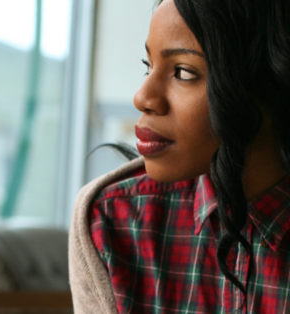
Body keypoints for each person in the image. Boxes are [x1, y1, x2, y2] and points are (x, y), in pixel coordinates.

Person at [68, 0, 290, 313]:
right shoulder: (112, 221)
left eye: (183, 72)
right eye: (148, 67)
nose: (142, 97)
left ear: (272, 84)